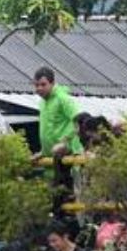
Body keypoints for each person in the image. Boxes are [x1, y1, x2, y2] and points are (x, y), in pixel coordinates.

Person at [34, 66, 82, 206]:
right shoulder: (42, 103)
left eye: (43, 84)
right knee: (54, 198)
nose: (39, 88)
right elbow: (48, 129)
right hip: (51, 158)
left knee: (71, 196)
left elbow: (78, 120)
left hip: (68, 151)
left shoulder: (63, 99)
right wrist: (42, 152)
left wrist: (65, 141)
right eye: (36, 85)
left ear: (53, 83)